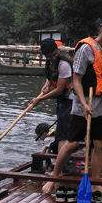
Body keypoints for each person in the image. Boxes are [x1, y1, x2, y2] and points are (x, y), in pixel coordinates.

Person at [42, 13, 102, 202]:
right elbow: (76, 80)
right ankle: (55, 176)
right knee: (72, 143)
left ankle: (96, 183)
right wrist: (84, 103)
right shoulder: (86, 48)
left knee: (101, 144)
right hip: (84, 101)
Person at [30, 37, 73, 170]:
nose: (53, 57)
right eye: (49, 56)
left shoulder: (64, 63)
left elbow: (59, 89)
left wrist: (39, 99)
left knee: (63, 134)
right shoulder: (50, 61)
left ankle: (61, 167)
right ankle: (62, 164)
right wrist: (47, 85)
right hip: (61, 99)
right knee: (60, 133)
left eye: (54, 54)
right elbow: (51, 76)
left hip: (70, 100)